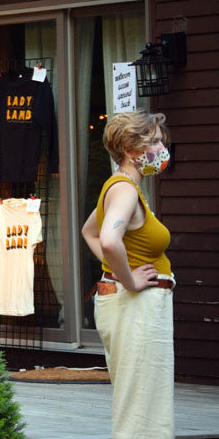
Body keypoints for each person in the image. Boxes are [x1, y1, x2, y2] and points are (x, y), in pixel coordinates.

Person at [81, 111, 173, 439]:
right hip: (136, 310)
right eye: (156, 141)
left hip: (132, 308)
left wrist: (115, 271)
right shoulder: (125, 190)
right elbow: (107, 239)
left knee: (140, 400)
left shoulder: (121, 186)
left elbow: (89, 232)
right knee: (142, 405)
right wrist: (129, 280)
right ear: (133, 149)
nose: (163, 148)